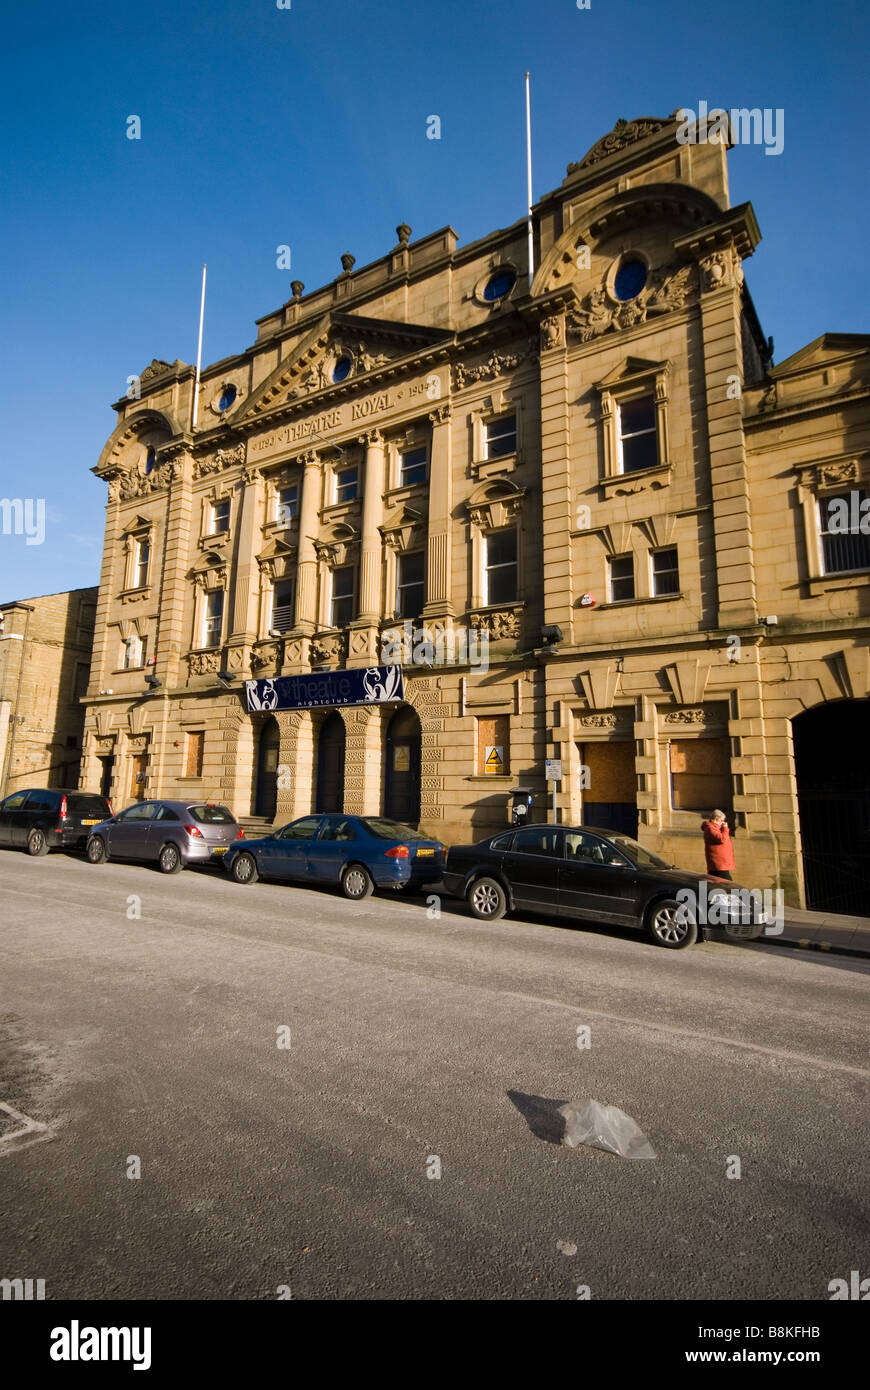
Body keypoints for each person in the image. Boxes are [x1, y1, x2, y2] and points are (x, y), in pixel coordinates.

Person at [701, 809, 735, 879]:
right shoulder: (710, 828)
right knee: (726, 882)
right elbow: (721, 839)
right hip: (718, 862)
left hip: (721, 862)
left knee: (715, 880)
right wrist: (725, 828)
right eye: (721, 820)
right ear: (716, 819)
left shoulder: (716, 828)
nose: (723, 823)